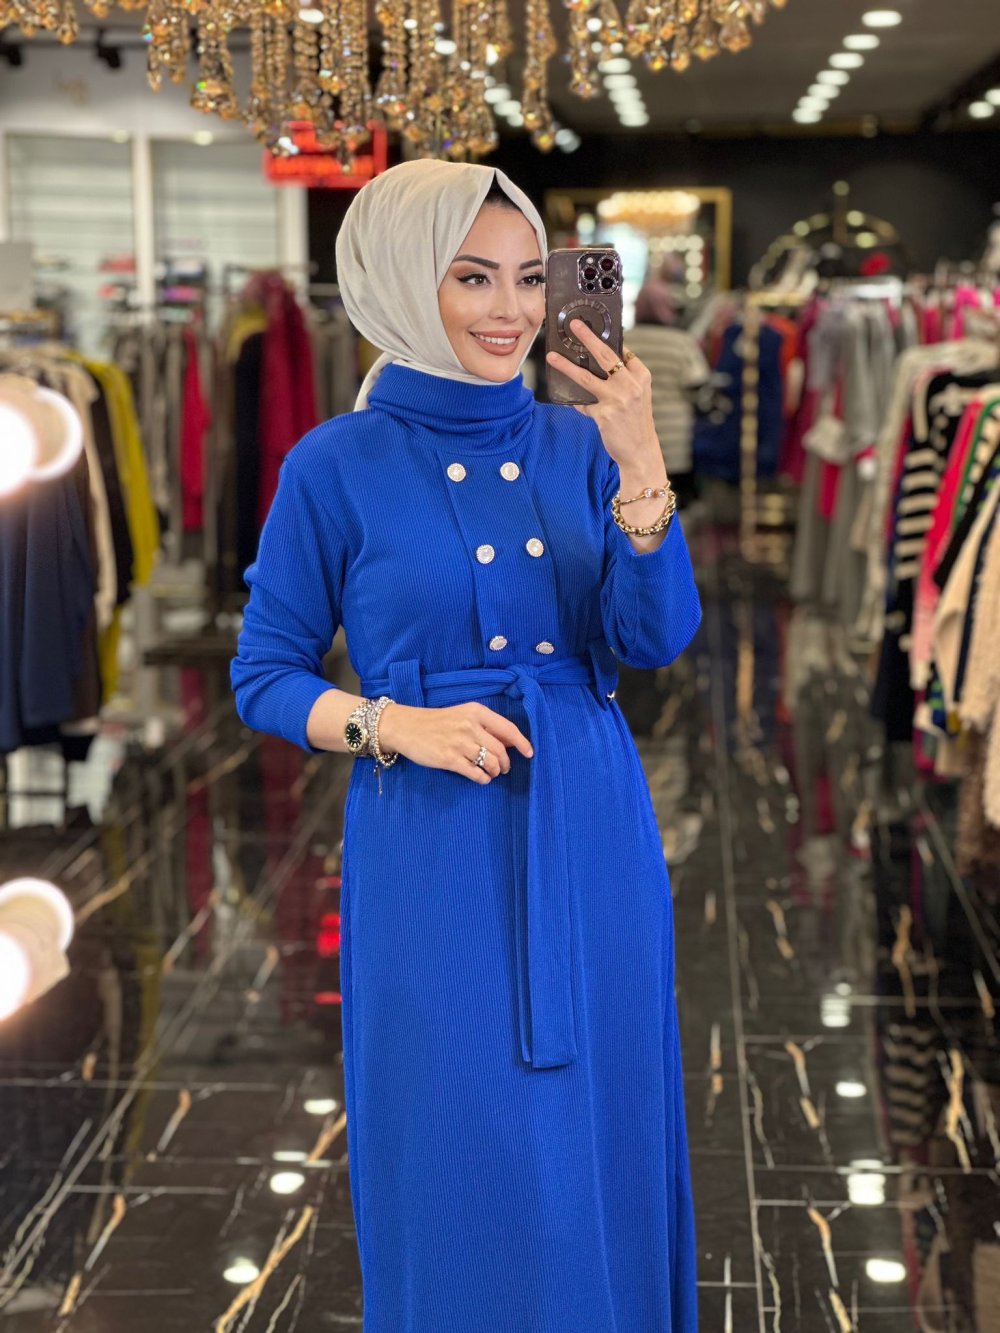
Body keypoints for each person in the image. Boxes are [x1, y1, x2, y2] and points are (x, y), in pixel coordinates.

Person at [230, 159, 702, 1332]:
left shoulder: (579, 445)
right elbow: (264, 674)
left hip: (590, 819)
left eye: (531, 278)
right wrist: (390, 722)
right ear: (400, 281)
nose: (511, 310)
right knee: (455, 1124)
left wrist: (639, 462)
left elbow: (651, 638)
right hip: (432, 839)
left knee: (601, 1110)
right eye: (471, 277)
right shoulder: (333, 464)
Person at [625, 274, 710, 511]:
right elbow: (697, 384)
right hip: (675, 439)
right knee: (674, 505)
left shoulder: (623, 341)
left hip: (632, 433)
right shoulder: (682, 342)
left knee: (637, 504)